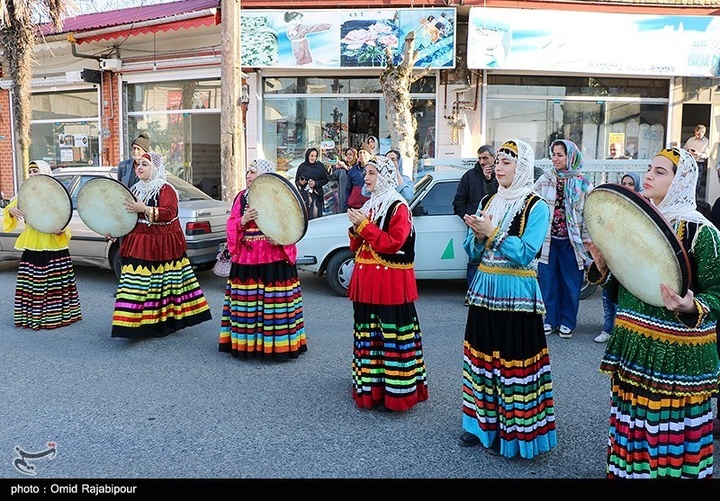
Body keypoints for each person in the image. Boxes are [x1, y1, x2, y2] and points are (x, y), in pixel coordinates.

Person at [586, 147, 720, 478]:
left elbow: (717, 293)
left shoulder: (703, 233)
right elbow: (625, 281)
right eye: (649, 168)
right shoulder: (633, 223)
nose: (648, 175)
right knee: (634, 421)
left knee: (669, 430)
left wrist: (693, 306)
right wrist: (602, 266)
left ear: (681, 182)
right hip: (635, 347)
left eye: (660, 172)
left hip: (677, 358)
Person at [458, 139, 557, 459]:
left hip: (516, 292)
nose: (498, 167)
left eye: (506, 162)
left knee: (514, 363)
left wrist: (493, 232)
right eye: (497, 162)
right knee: (482, 360)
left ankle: (516, 432)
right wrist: (476, 235)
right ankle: (479, 425)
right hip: (486, 288)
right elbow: (472, 252)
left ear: (523, 167)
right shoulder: (488, 201)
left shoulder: (536, 205)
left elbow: (526, 253)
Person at [346, 155, 428, 412]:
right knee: (370, 334)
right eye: (366, 173)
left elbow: (394, 243)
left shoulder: (398, 207)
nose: (366, 178)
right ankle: (372, 387)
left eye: (372, 173)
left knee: (391, 334)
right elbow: (357, 245)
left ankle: (396, 393)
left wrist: (364, 226)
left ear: (385, 176)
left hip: (390, 283)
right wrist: (355, 228)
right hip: (368, 280)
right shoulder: (372, 204)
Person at [111, 152, 212, 338]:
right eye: (137, 165)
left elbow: (170, 212)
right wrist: (115, 229)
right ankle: (131, 325)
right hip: (138, 242)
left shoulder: (166, 189)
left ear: (155, 168)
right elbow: (126, 216)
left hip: (161, 245)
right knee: (134, 285)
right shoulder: (134, 189)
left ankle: (160, 324)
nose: (139, 167)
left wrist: (145, 209)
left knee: (162, 286)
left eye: (144, 164)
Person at [219, 159, 308, 361]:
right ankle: (247, 345)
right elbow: (231, 224)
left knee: (273, 307)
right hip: (247, 259)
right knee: (247, 306)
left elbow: (290, 225)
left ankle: (276, 347)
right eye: (247, 172)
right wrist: (242, 220)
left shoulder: (277, 196)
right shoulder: (241, 198)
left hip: (273, 257)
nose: (248, 176)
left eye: (253, 172)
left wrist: (280, 239)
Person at [3, 160, 82, 330]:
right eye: (30, 172)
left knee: (54, 283)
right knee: (33, 282)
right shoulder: (26, 193)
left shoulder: (55, 194)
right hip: (33, 242)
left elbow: (64, 218)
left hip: (53, 243)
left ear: (45, 172)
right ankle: (32, 315)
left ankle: (55, 316)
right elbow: (11, 206)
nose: (32, 175)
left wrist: (61, 231)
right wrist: (10, 210)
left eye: (36, 171)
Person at [534, 139, 593, 339]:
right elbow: (534, 207)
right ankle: (550, 319)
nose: (555, 158)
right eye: (553, 154)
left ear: (571, 156)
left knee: (570, 284)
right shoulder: (545, 179)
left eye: (560, 154)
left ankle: (567, 321)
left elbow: (588, 216)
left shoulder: (584, 183)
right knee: (548, 282)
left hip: (572, 243)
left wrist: (586, 243)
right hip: (549, 241)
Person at [594, 172, 643, 344]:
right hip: (612, 257)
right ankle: (608, 329)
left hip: (630, 261)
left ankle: (620, 332)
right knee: (608, 294)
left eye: (631, 184)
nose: (627, 187)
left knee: (623, 298)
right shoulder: (613, 204)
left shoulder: (641, 207)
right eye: (624, 183)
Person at [452, 145, 499, 290]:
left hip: (495, 224)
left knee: (495, 259)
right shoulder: (469, 176)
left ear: (494, 157)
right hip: (475, 224)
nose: (482, 161)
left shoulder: (502, 174)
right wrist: (467, 217)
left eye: (485, 158)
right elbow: (459, 201)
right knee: (474, 259)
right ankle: (473, 293)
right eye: (480, 158)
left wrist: (490, 179)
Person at [295, 147, 329, 220]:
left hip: (316, 195)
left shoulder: (320, 166)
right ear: (307, 156)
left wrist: (316, 183)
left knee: (315, 216)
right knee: (306, 217)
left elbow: (325, 179)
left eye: (315, 156)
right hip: (305, 196)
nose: (313, 158)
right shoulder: (302, 166)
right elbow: (297, 181)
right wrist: (300, 182)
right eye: (311, 155)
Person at [684, 124, 710, 201]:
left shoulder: (707, 142)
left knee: (697, 182)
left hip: (699, 163)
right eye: (696, 133)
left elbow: (707, 155)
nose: (697, 135)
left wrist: (698, 154)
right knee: (687, 181)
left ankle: (694, 199)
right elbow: (684, 149)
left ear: (703, 133)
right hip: (689, 162)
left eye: (699, 134)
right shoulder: (691, 140)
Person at [345, 143, 371, 209]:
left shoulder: (374, 170)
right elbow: (348, 189)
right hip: (354, 206)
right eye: (360, 153)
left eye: (364, 153)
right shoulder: (353, 170)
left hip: (369, 206)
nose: (362, 155)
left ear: (370, 155)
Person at [330, 147, 355, 213]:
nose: (348, 156)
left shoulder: (357, 167)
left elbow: (353, 174)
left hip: (354, 203)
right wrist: (329, 168)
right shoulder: (342, 169)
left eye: (350, 154)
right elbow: (332, 177)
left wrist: (345, 167)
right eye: (347, 154)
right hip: (343, 200)